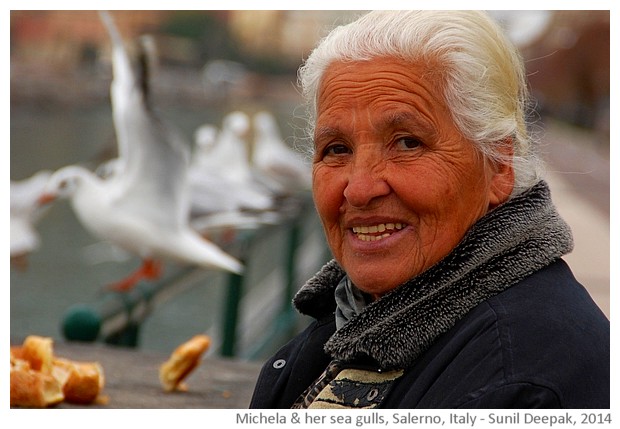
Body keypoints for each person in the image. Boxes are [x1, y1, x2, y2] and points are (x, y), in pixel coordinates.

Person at [249, 10, 609, 409]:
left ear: (498, 166)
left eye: (407, 143)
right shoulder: (359, 310)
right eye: (337, 149)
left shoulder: (517, 384)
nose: (360, 189)